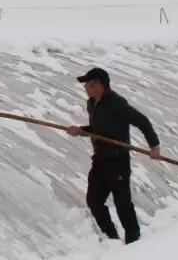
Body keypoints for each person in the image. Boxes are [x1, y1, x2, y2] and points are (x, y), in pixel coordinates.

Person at [66, 67, 161, 244]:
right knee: (94, 201)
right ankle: (111, 238)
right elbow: (96, 129)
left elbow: (142, 121)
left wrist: (154, 145)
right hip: (100, 160)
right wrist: (80, 130)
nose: (85, 87)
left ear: (98, 85)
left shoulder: (116, 103)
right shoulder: (92, 103)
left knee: (122, 203)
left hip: (118, 161)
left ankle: (134, 240)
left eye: (87, 84)